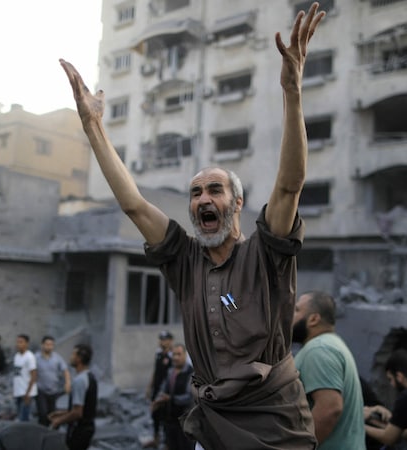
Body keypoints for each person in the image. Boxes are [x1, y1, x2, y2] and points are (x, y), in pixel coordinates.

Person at [60, 3, 325, 449]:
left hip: (276, 426)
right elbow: (134, 205)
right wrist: (94, 129)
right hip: (215, 425)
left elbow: (289, 185)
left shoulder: (265, 253)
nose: (204, 198)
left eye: (215, 190)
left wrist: (293, 90)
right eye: (196, 192)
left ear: (236, 203)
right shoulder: (184, 260)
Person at [292, 291, 365, 450]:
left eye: (297, 310)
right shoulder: (331, 344)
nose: (291, 315)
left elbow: (330, 408)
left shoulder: (318, 350)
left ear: (313, 319)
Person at [49, 344, 97, 450]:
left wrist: (59, 421)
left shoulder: (79, 381)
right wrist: (62, 413)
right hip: (87, 428)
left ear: (79, 358)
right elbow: (84, 408)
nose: (70, 357)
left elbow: (77, 413)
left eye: (73, 354)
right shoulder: (90, 377)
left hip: (79, 430)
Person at [151, 343, 195, 450]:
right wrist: (158, 400)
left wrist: (171, 398)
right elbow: (163, 388)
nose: (176, 357)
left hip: (185, 422)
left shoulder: (190, 373)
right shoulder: (170, 371)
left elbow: (189, 397)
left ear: (184, 355)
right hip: (170, 421)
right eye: (174, 354)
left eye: (179, 354)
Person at [145, 330, 173, 448]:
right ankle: (156, 440)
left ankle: (167, 443)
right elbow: (156, 371)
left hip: (166, 392)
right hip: (157, 390)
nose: (163, 342)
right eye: (161, 339)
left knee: (166, 417)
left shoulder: (173, 356)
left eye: (165, 339)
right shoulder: (158, 354)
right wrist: (149, 387)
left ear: (170, 341)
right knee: (155, 416)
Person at [35, 335, 71, 427]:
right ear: (42, 345)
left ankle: (52, 433)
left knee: (53, 413)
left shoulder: (57, 358)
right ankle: (41, 431)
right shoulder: (36, 357)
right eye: (47, 344)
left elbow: (65, 370)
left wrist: (67, 383)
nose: (49, 346)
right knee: (43, 413)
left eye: (51, 345)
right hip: (40, 389)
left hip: (53, 390)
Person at [13, 334, 37, 422]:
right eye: (17, 342)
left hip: (26, 393)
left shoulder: (30, 357)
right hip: (18, 392)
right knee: (20, 417)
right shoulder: (17, 356)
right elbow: (18, 375)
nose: (18, 344)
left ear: (27, 344)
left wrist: (28, 394)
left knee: (24, 419)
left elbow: (34, 375)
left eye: (21, 342)